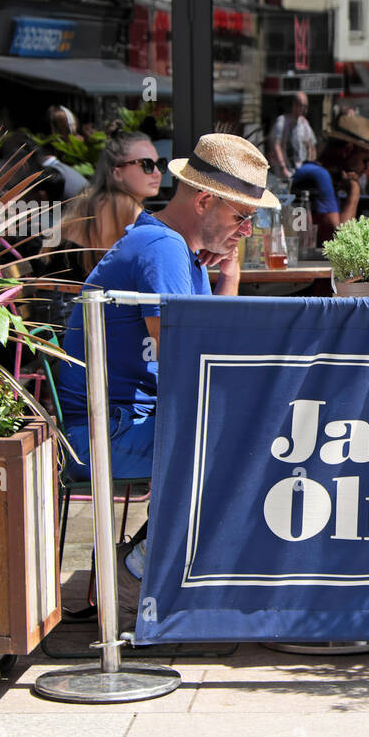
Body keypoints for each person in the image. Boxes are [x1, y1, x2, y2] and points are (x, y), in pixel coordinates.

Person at [58, 134, 277, 603]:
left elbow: (207, 352)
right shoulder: (164, 251)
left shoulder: (178, 251)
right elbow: (191, 362)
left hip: (123, 422)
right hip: (104, 433)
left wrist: (230, 273)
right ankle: (137, 571)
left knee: (252, 434)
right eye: (242, 217)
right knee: (253, 445)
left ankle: (161, 566)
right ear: (203, 200)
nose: (246, 231)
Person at [59, 129, 162, 282]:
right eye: (146, 164)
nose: (157, 173)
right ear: (117, 173)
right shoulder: (126, 208)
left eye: (159, 164)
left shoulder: (86, 201)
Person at [289, 113, 369, 246]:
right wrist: (354, 193)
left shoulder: (318, 173)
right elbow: (340, 239)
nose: (367, 168)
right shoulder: (319, 175)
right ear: (347, 150)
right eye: (365, 160)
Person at [268, 92, 316, 183]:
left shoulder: (304, 124)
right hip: (285, 172)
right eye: (303, 106)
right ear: (295, 105)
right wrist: (283, 168)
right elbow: (276, 145)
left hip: (300, 171)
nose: (304, 109)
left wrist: (309, 165)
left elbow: (311, 145)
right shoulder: (282, 122)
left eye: (306, 106)